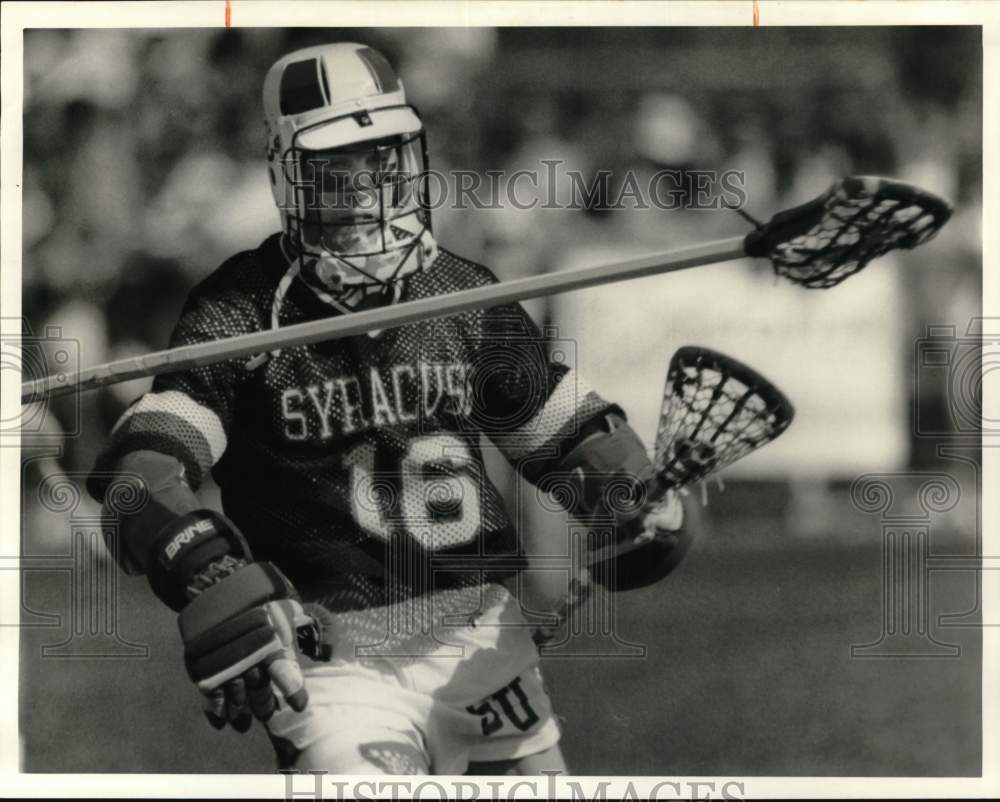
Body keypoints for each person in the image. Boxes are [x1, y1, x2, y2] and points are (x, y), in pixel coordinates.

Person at [86, 42, 695, 776]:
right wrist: (205, 571)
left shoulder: (461, 294)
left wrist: (630, 493)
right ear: (288, 172)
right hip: (335, 663)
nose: (366, 187)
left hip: (484, 648)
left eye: (381, 159)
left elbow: (562, 440)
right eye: (336, 166)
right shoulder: (239, 312)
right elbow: (141, 475)